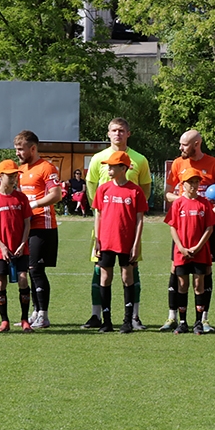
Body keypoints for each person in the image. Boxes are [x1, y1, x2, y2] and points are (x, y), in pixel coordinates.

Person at [161, 129, 215, 333]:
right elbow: (167, 193)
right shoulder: (177, 163)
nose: (180, 148)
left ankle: (204, 319)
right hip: (183, 225)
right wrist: (186, 202)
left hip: (204, 225)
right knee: (177, 269)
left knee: (205, 271)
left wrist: (212, 211)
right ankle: (172, 317)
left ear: (196, 144)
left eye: (184, 144)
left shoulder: (213, 163)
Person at [82, 118, 151, 330]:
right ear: (108, 133)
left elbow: (144, 194)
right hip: (105, 232)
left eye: (121, 130)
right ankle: (100, 317)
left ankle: (132, 317)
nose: (117, 134)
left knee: (129, 272)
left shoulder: (139, 160)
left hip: (127, 233)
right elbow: (92, 189)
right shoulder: (97, 159)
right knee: (101, 271)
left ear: (128, 133)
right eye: (113, 130)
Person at [92, 151, 149, 333]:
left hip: (126, 242)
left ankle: (127, 320)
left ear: (123, 168)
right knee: (105, 277)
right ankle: (106, 320)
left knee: (127, 277)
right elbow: (98, 216)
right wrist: (97, 240)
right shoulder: (103, 189)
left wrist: (136, 244)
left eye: (112, 166)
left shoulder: (135, 191)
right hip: (106, 241)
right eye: (108, 165)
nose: (109, 168)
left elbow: (140, 219)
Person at [15, 130, 62, 329]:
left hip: (43, 224)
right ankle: (35, 312)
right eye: (16, 149)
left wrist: (33, 205)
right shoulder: (21, 169)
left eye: (20, 149)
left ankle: (43, 314)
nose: (17, 153)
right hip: (27, 226)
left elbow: (56, 194)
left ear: (32, 148)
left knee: (36, 269)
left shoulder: (46, 168)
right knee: (30, 269)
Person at [164, 167, 215, 334]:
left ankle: (198, 322)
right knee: (182, 285)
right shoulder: (178, 203)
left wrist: (198, 246)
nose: (194, 185)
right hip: (182, 251)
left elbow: (209, 228)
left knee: (198, 285)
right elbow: (172, 226)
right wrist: (180, 247)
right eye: (191, 182)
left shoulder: (204, 204)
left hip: (200, 252)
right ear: (183, 184)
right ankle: (182, 322)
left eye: (197, 182)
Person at [0, 160, 33, 333]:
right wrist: (2, 246)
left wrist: (23, 243)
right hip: (0, 249)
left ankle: (25, 320)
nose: (13, 179)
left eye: (15, 175)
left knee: (23, 278)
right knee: (1, 281)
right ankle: (4, 321)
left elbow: (27, 223)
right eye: (9, 175)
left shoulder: (21, 198)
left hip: (20, 247)